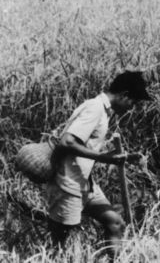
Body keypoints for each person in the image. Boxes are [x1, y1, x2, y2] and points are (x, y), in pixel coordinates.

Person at [47, 70, 151, 259]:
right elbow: (67, 142)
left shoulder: (104, 111)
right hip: (67, 184)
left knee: (115, 223)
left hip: (85, 183)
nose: (131, 108)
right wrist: (107, 159)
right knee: (61, 249)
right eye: (133, 103)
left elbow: (86, 148)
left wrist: (126, 157)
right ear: (124, 95)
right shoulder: (95, 108)